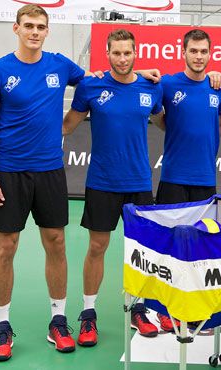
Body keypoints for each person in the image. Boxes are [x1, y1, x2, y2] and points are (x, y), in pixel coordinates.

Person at [0, 4, 91, 360]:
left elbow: (94, 83)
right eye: (28, 25)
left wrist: (70, 122)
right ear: (15, 29)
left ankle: (58, 321)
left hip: (50, 171)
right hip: (9, 172)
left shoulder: (60, 65)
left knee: (56, 242)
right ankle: (1, 326)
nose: (34, 31)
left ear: (47, 31)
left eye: (41, 26)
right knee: (6, 247)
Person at [62, 29, 163, 347]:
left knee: (141, 252)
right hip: (102, 182)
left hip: (139, 183)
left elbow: (166, 122)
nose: (122, 58)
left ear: (136, 53)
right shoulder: (91, 86)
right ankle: (89, 316)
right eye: (116, 53)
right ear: (107, 54)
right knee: (96, 248)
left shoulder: (151, 87)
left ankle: (140, 310)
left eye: (127, 52)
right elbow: (67, 126)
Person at [151, 28, 221, 332]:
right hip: (173, 178)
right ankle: (166, 308)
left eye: (203, 52)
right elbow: (157, 114)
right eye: (193, 51)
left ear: (210, 54)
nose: (198, 57)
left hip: (205, 179)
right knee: (169, 245)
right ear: (183, 52)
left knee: (199, 245)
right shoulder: (168, 84)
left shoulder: (219, 87)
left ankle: (194, 305)